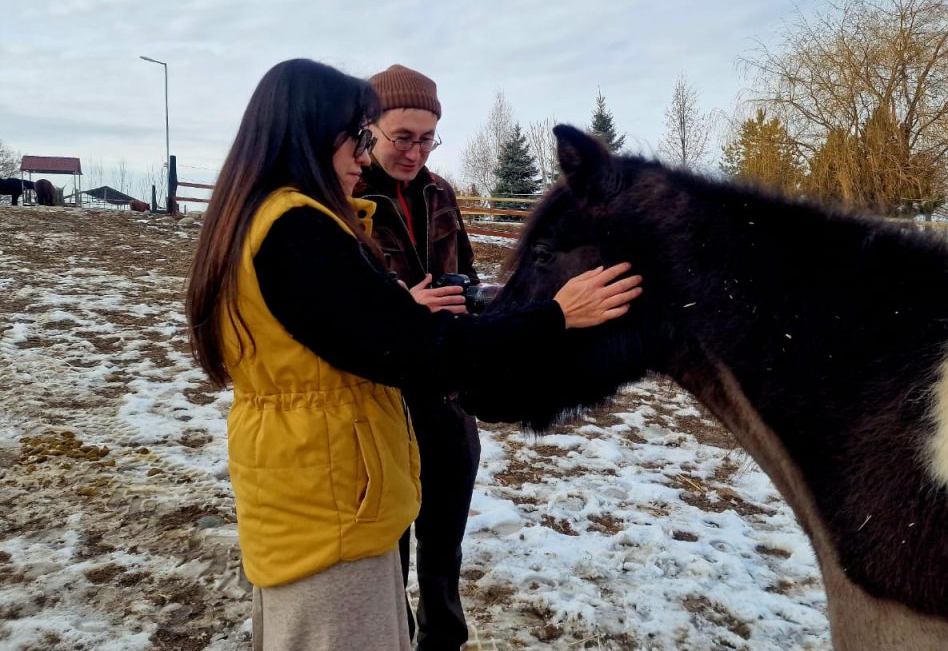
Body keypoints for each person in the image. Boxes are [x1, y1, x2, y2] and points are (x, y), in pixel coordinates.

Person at [184, 58, 642, 651]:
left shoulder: (262, 216)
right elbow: (420, 350)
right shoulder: (300, 228)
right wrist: (556, 315)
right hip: (336, 492)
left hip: (315, 470)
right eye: (364, 136)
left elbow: (372, 328)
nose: (366, 151)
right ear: (314, 133)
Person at [356, 64, 480, 651]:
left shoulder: (441, 191)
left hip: (448, 393)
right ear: (369, 127)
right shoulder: (346, 194)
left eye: (427, 138)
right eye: (402, 136)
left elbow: (470, 273)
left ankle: (443, 642)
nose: (415, 151)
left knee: (445, 542)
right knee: (391, 546)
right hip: (383, 396)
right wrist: (404, 305)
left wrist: (472, 299)